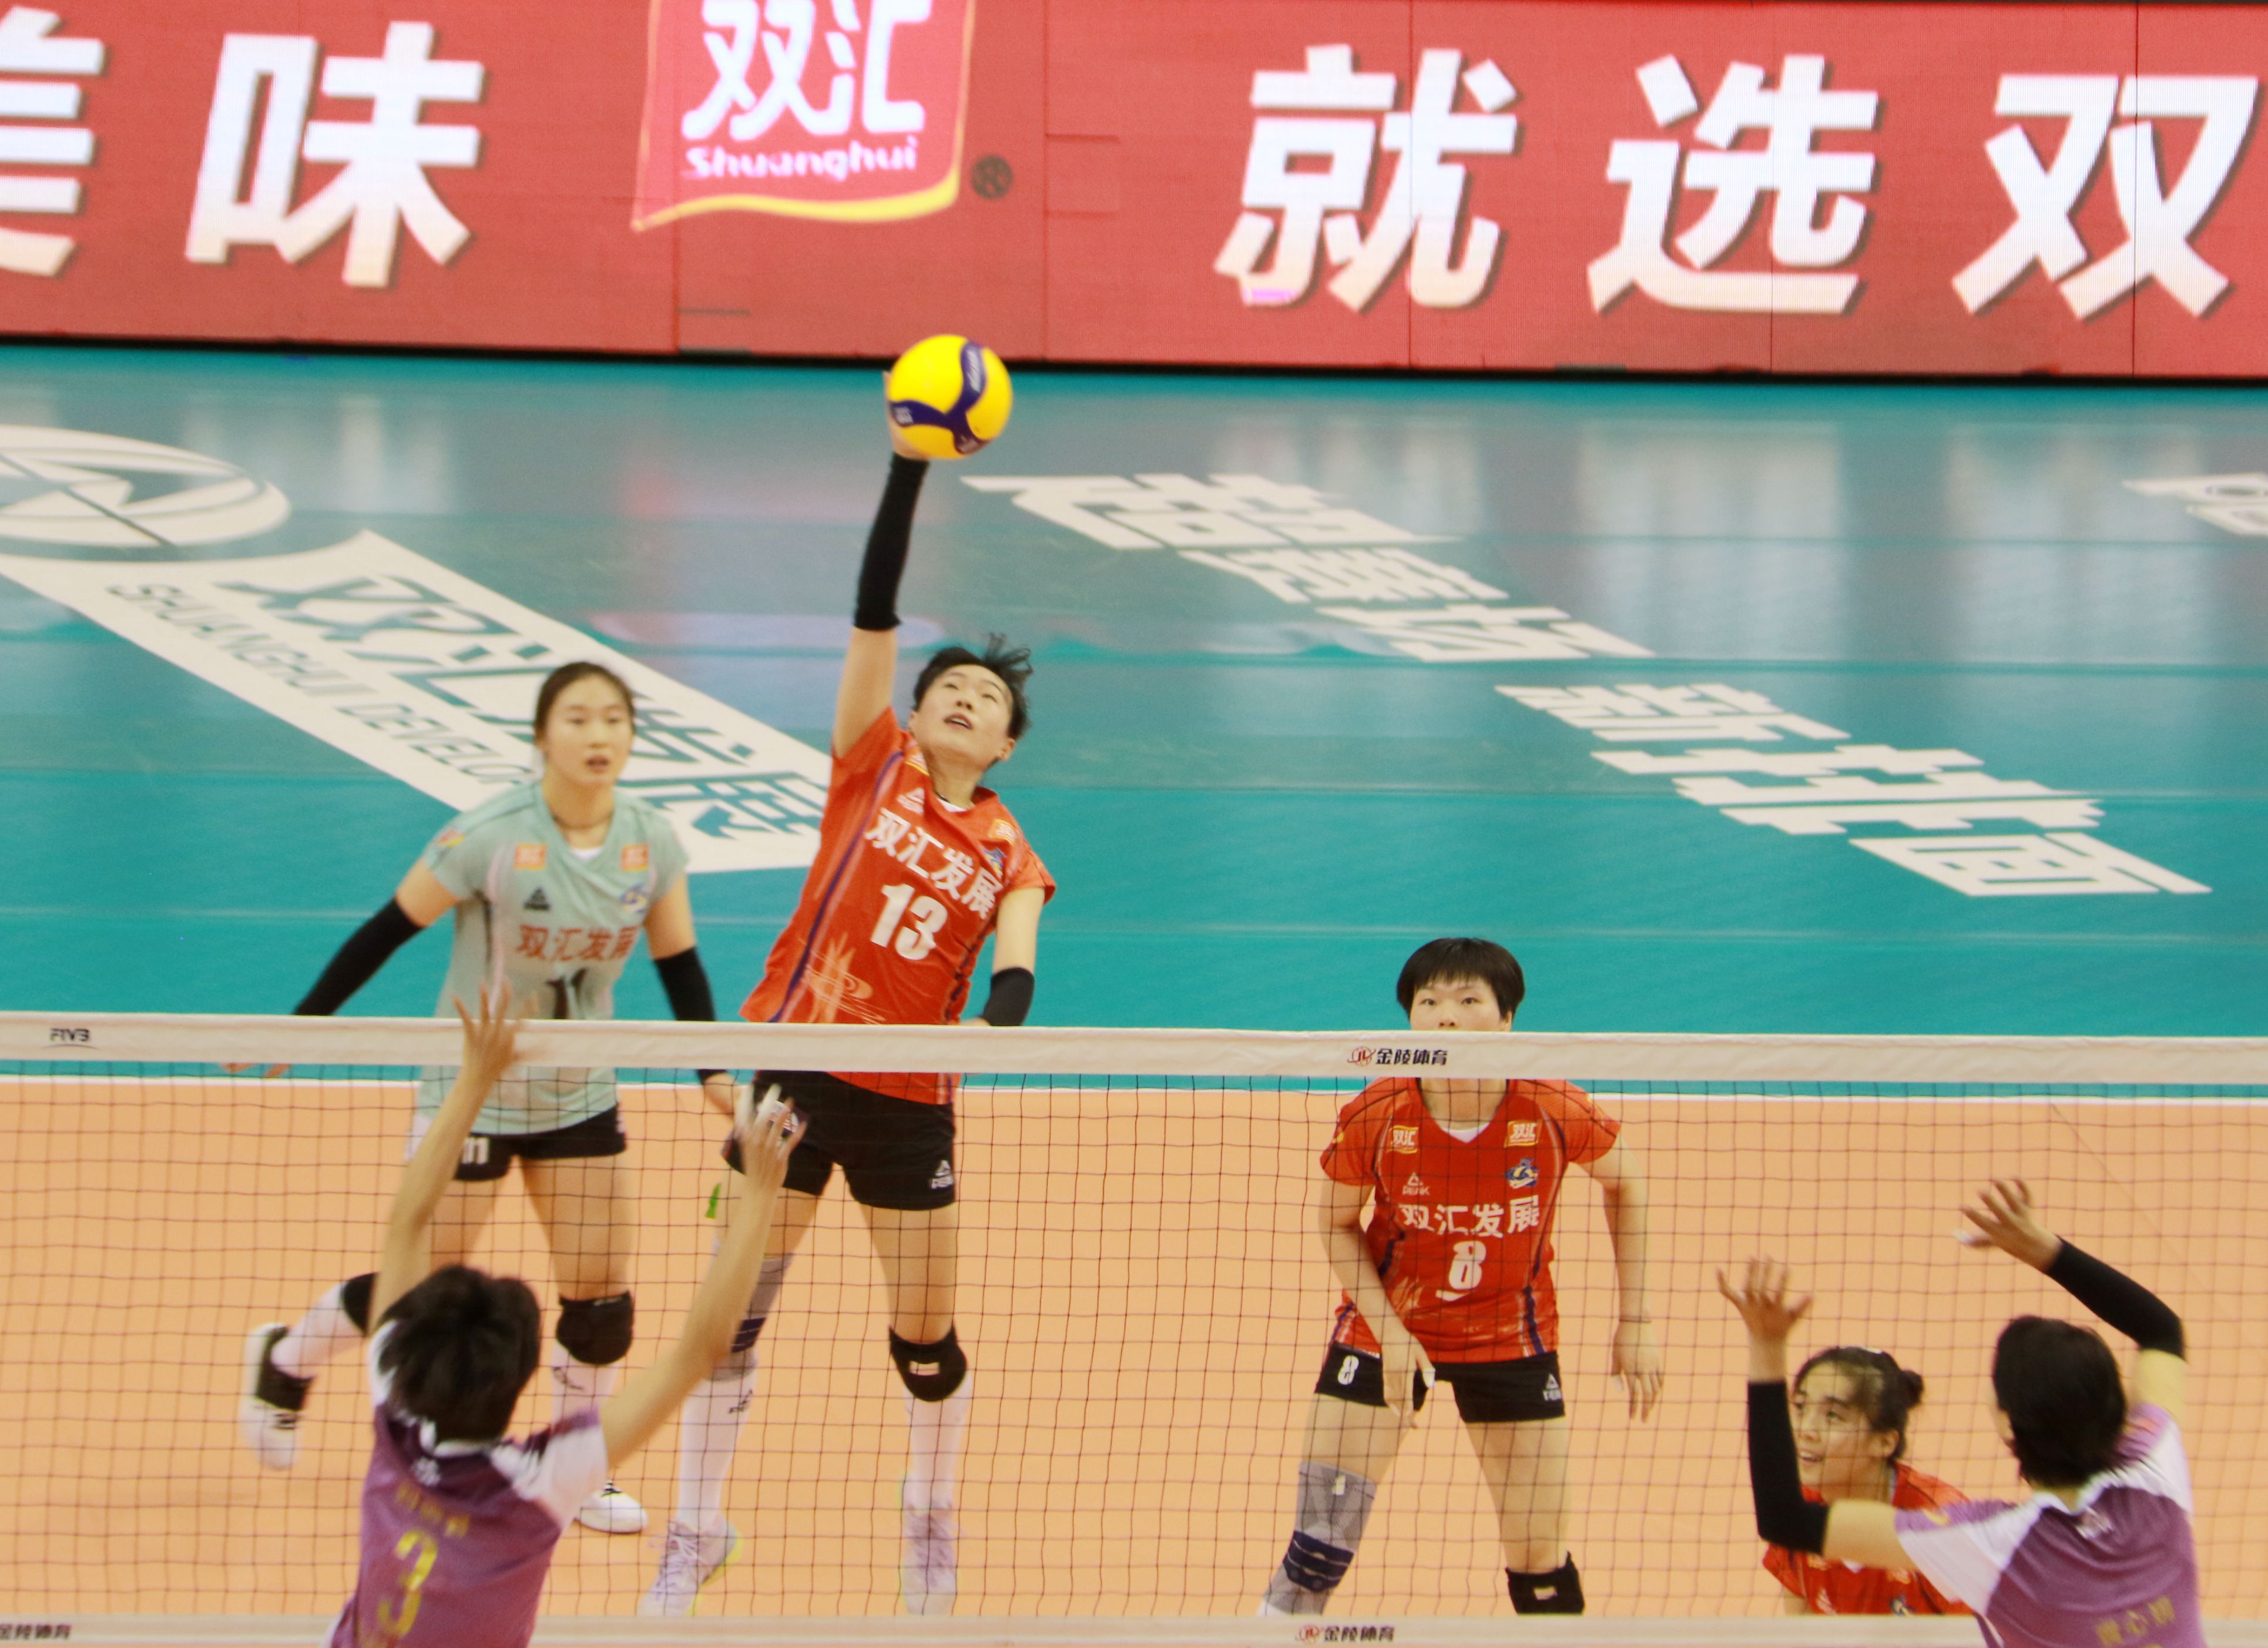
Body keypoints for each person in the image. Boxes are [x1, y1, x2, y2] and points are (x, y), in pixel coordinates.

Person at [641, 433, 1054, 1617]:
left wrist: (994, 1029)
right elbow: (874, 613)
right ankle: (697, 1524)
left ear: (1006, 744)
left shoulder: (1012, 848)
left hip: (909, 1102)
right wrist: (910, 467)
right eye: (949, 687)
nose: (965, 698)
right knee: (730, 1316)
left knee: (925, 1338)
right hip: (793, 1077)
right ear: (912, 713)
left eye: (989, 700)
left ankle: (929, 1506)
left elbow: (1016, 966)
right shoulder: (870, 765)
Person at [240, 661, 736, 1536]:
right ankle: (287, 1360)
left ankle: (580, 1467)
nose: (597, 735)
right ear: (542, 736)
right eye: (577, 718)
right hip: (473, 1089)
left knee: (603, 1300)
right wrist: (306, 1025)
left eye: (613, 719)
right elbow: (388, 928)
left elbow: (681, 963)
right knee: (420, 1288)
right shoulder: (491, 834)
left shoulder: (651, 841)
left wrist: (712, 1073)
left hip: (577, 1089)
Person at [326, 988, 802, 1648]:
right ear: (518, 1377)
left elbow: (408, 1221)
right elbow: (700, 1351)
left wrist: (474, 1079)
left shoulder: (395, 1412)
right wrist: (761, 1192)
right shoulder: (542, 1481)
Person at [1258, 937, 1663, 1618]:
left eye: (1468, 999)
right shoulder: (1379, 1111)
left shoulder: (1551, 1106)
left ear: (1507, 1019)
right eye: (1428, 1001)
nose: (1445, 1015)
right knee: (1317, 1548)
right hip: (1385, 1329)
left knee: (1540, 1561)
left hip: (1511, 1335)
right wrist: (1390, 1333)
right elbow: (1334, 1221)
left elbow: (1627, 1184)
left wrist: (1636, 1320)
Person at [1723, 1179, 2196, 1648]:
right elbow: (2161, 1331)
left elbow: (1785, 1519)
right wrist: (2047, 1251)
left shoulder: (1988, 1542)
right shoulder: (2154, 1470)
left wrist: (1767, 1347)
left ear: (2007, 1424)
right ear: (2117, 1411)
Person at [1761, 1345, 1967, 1614]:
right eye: (1800, 1407)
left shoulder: (1937, 1523)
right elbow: (1800, 1629)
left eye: (1832, 1416)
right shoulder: (1795, 1509)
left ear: (1884, 1442)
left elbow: (1988, 1632)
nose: (1805, 1430)